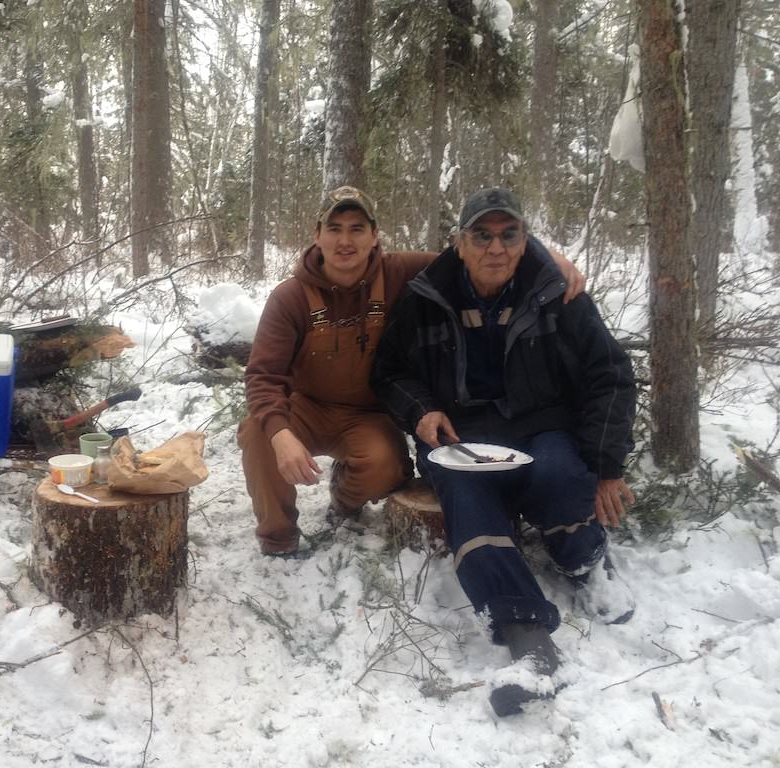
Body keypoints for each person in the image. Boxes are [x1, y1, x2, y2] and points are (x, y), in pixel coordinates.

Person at [370, 186, 637, 716]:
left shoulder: (558, 294)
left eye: (509, 234)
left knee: (563, 475)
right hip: (462, 435)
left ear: (525, 239)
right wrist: (421, 410)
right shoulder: (426, 298)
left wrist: (607, 468)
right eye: (482, 236)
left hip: (543, 427)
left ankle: (585, 561)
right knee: (468, 500)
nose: (497, 247)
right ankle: (529, 641)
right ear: (460, 243)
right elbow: (388, 371)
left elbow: (609, 375)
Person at [239, 185, 585, 557]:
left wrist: (545, 255)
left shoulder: (401, 271)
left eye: (357, 228)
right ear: (317, 235)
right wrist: (281, 434)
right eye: (335, 228)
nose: (345, 240)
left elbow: (480, 251)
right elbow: (262, 376)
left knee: (386, 468)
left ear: (374, 236)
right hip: (306, 407)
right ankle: (278, 539)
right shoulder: (290, 297)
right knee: (260, 435)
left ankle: (344, 500)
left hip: (367, 415)